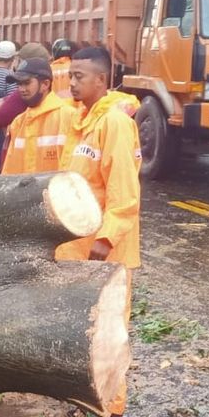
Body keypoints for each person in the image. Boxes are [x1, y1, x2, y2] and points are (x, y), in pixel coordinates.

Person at [56, 46, 141, 267]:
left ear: (100, 79)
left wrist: (107, 238)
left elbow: (123, 188)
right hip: (78, 242)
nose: (72, 83)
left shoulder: (115, 123)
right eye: (70, 76)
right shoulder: (80, 121)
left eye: (79, 76)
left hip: (103, 249)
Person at [0, 56, 76, 175]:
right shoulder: (18, 123)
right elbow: (8, 173)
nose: (21, 89)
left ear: (45, 84)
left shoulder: (69, 117)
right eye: (19, 84)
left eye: (26, 83)